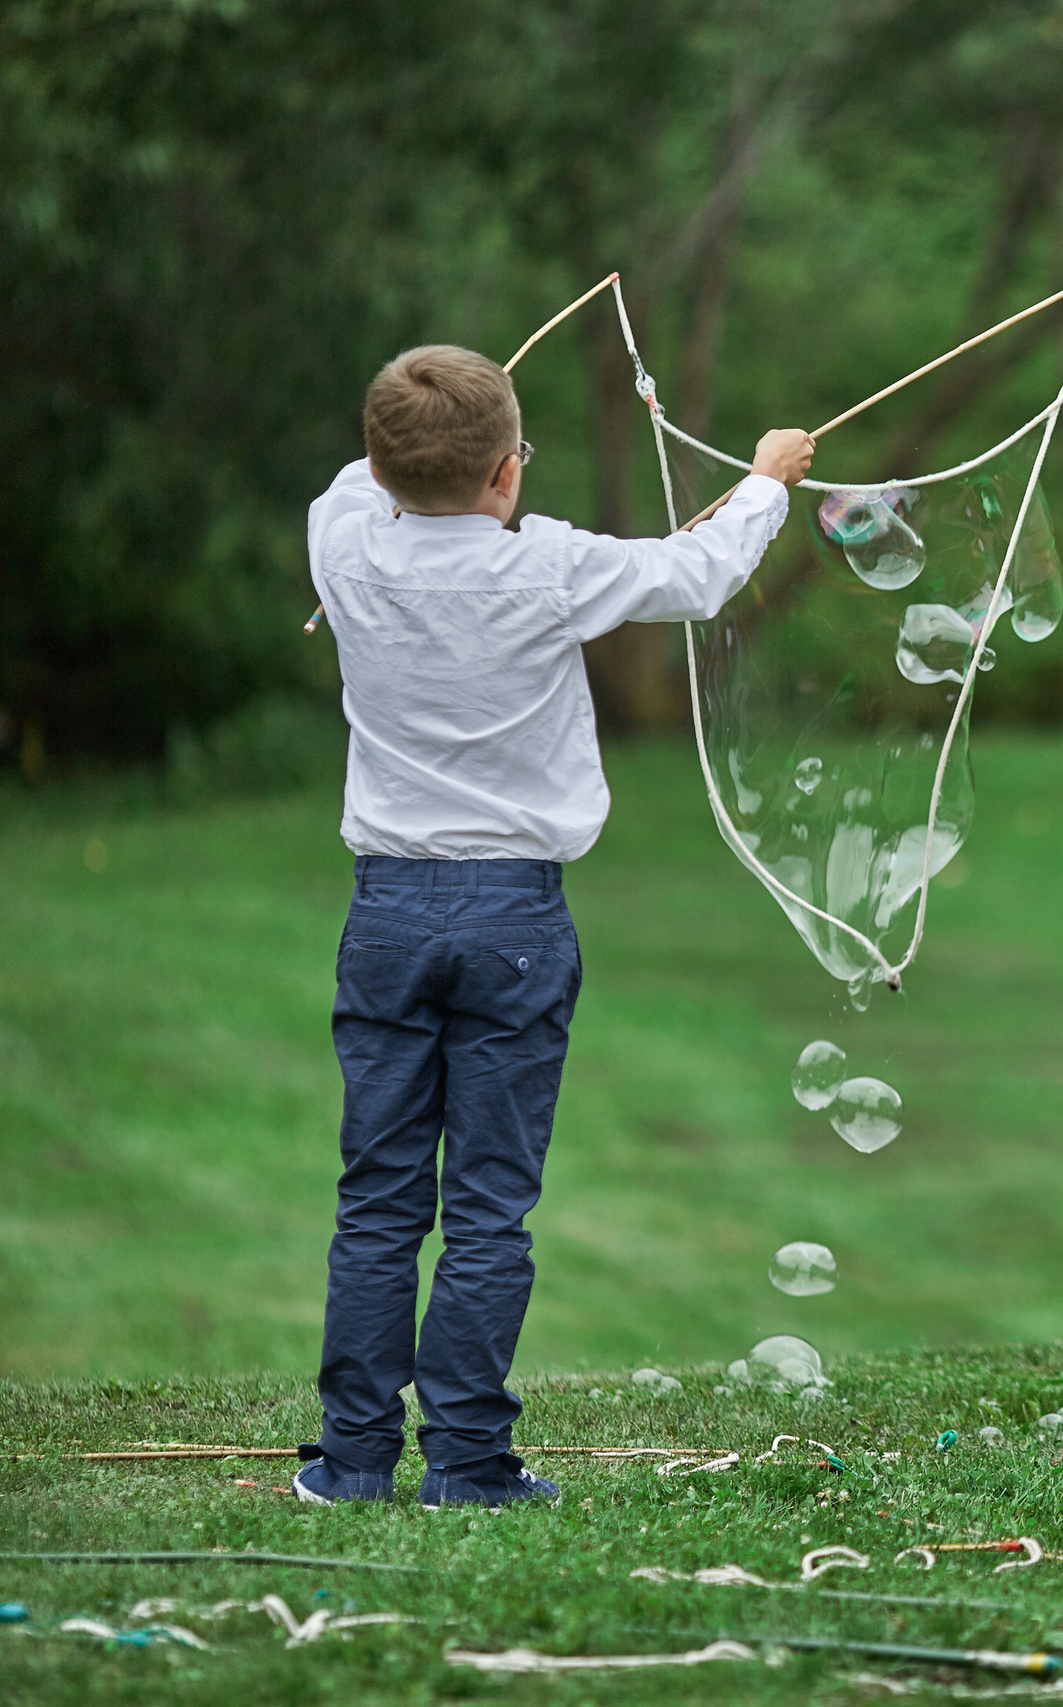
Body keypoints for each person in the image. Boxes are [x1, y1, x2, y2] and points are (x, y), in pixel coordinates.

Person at [292, 343, 814, 1507]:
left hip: (386, 908)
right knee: (487, 1203)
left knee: (378, 1197)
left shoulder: (343, 535)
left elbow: (357, 478)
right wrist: (769, 477)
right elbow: (697, 575)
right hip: (515, 915)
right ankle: (468, 1467)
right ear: (506, 478)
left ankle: (353, 1463)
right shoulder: (552, 568)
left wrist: (420, 439)